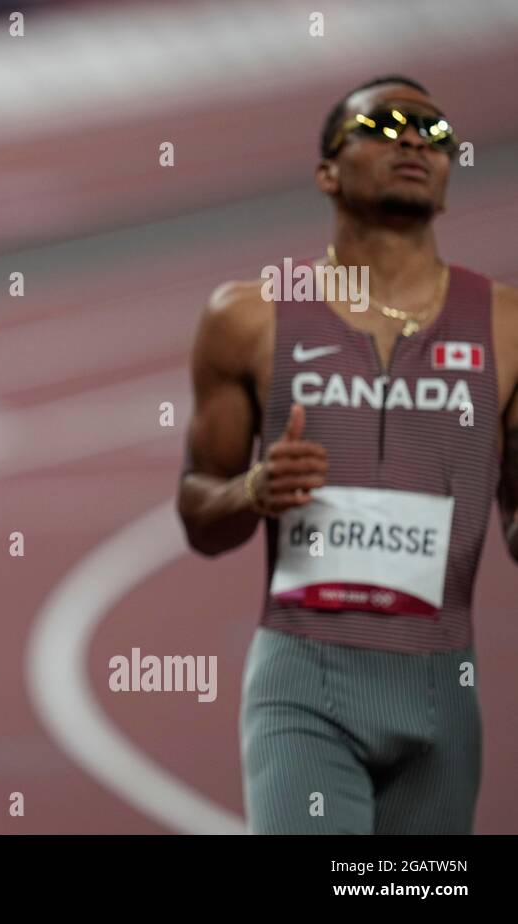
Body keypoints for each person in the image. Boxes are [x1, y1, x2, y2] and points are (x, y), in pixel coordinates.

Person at [179, 75, 518, 833]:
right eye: (387, 125)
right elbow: (199, 510)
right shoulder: (249, 317)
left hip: (445, 691)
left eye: (434, 134)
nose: (413, 141)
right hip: (304, 683)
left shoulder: (507, 324)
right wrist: (252, 491)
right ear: (327, 170)